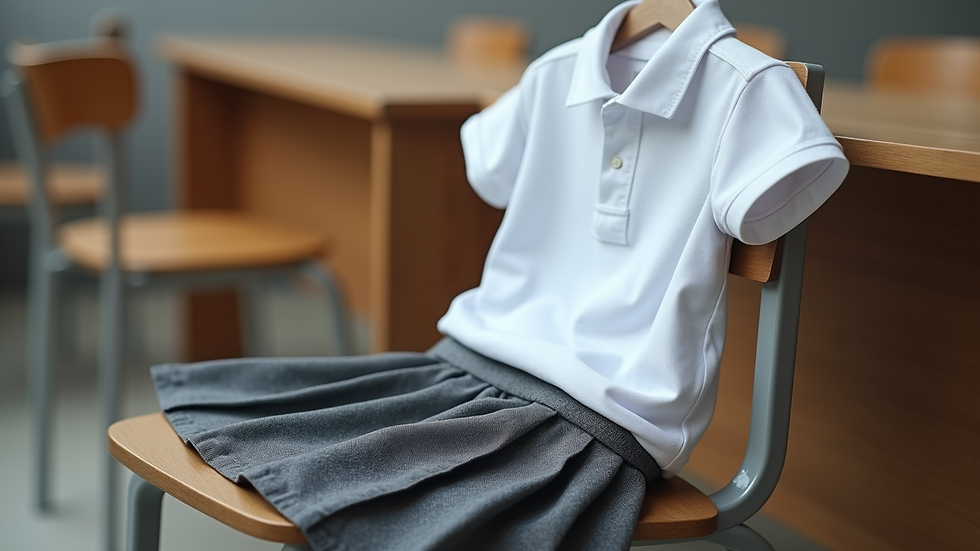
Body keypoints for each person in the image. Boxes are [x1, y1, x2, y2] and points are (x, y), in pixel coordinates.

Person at [151, 1, 848, 550]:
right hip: (477, 359)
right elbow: (487, 170)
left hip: (605, 417)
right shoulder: (555, 74)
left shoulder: (750, 91)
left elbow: (779, 195)